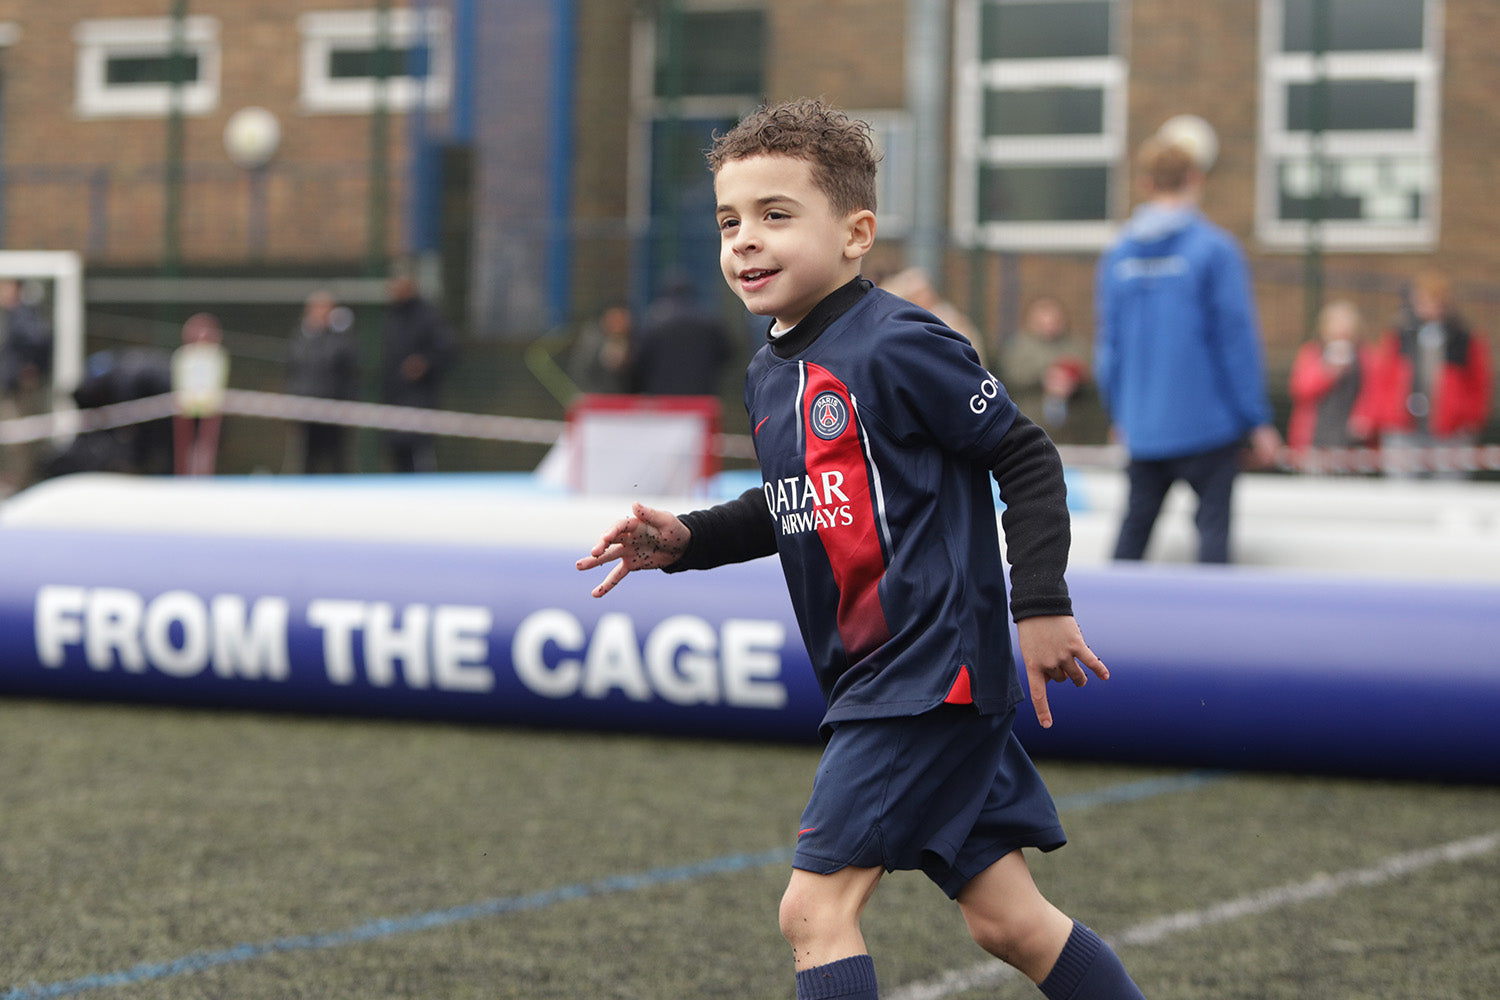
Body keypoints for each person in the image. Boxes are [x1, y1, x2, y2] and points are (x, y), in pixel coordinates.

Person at [577, 99, 1146, 1000]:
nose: (746, 242)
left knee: (813, 914)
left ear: (856, 234)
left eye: (775, 215)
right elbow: (797, 503)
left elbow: (1026, 455)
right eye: (730, 222)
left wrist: (1039, 604)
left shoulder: (898, 342)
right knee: (1011, 922)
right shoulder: (771, 368)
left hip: (924, 678)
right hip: (891, 681)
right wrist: (687, 541)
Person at [1093, 134, 1280, 565]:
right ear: (1195, 178)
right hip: (1209, 426)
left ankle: (1102, 628)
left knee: (1132, 538)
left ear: (1144, 184)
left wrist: (1119, 413)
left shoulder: (1118, 255)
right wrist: (1256, 419)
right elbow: (1235, 341)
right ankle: (1216, 631)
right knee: (1212, 539)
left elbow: (1110, 347)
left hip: (1143, 425)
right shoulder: (1214, 250)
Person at [1360, 269, 1492, 478]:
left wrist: (1469, 419)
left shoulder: (1463, 338)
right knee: (1402, 491)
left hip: (1449, 430)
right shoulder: (1400, 334)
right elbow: (1381, 379)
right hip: (1403, 427)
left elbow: (1479, 384)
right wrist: (1377, 416)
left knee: (1448, 490)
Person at [381, 268, 456, 473]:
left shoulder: (428, 316)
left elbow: (447, 349)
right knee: (398, 459)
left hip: (420, 402)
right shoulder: (392, 317)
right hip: (394, 401)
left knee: (420, 459)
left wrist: (424, 363)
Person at [1286, 299, 1377, 464]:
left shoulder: (1364, 356)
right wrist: (1328, 372)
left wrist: (1363, 417)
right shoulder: (1312, 353)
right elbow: (1300, 389)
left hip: (1351, 440)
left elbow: (1372, 392)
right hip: (1315, 437)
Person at [285, 290, 360, 474]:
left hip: (334, 409)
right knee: (308, 459)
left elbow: (349, 370)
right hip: (306, 410)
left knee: (337, 459)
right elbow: (293, 370)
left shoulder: (341, 338)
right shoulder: (301, 337)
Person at [1000, 295, 1094, 441]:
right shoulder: (1018, 346)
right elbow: (1010, 377)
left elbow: (1092, 378)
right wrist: (1046, 376)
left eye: (1054, 318)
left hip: (1073, 431)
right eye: (1043, 317)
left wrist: (1073, 379)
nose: (1049, 323)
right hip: (1030, 425)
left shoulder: (1077, 345)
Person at [629, 272, 732, 395]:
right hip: (700, 391)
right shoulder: (708, 320)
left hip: (661, 393)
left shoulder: (653, 322)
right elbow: (727, 352)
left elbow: (640, 359)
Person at [0, 277, 53, 491]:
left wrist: (30, 367)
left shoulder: (22, 315)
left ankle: (19, 485)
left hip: (18, 390)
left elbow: (39, 338)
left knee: (18, 439)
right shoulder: (13, 316)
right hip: (10, 387)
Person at [880, 266, 988, 365]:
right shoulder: (907, 320)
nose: (922, 297)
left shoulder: (947, 320)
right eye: (914, 295)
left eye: (922, 293)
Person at [170, 312, 230, 476]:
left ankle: (204, 475)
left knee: (206, 446)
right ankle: (183, 475)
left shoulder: (217, 356)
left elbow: (218, 381)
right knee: (184, 445)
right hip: (186, 408)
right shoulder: (183, 355)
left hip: (210, 408)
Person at [568, 303, 634, 395]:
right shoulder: (592, 342)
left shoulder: (634, 341)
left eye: (622, 318)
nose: (619, 323)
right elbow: (581, 372)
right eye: (615, 318)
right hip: (598, 399)